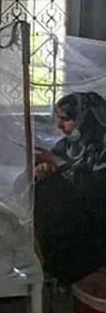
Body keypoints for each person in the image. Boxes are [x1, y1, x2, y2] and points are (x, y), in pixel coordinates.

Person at [34, 91, 106, 284]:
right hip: (79, 208)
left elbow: (96, 189)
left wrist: (57, 164)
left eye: (65, 119)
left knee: (48, 192)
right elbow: (58, 162)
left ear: (84, 118)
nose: (59, 126)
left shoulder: (102, 145)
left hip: (97, 220)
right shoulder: (71, 143)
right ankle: (52, 263)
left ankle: (68, 267)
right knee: (40, 186)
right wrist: (44, 168)